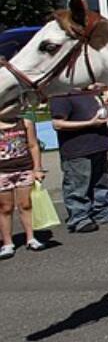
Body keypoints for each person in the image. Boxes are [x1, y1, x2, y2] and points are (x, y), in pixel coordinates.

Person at [51, 89, 108, 232]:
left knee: (101, 182)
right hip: (77, 149)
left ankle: (102, 211)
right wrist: (89, 123)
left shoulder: (90, 93)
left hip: (98, 145)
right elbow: (57, 124)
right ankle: (79, 218)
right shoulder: (62, 94)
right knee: (78, 185)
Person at [0, 104, 45, 257]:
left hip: (24, 168)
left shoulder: (25, 122)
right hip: (2, 171)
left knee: (26, 204)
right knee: (5, 207)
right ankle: (7, 242)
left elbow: (33, 145)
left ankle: (31, 237)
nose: (14, 109)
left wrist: (37, 168)